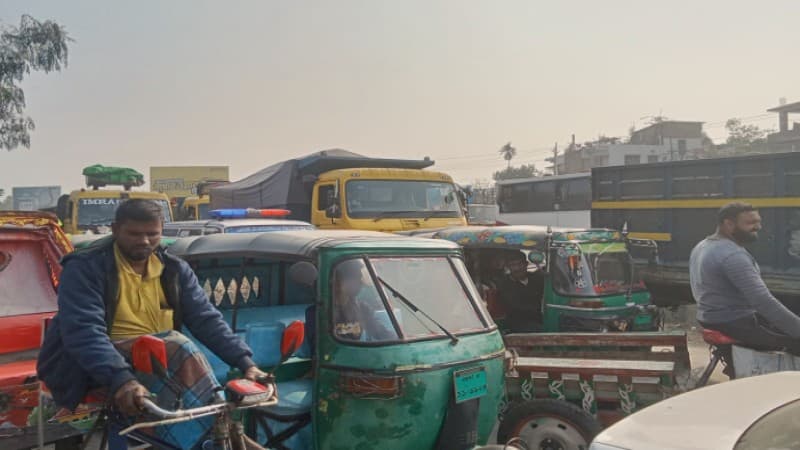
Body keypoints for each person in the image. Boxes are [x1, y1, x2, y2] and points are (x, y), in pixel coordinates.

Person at [37, 199, 269, 448]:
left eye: (152, 234)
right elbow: (85, 332)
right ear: (115, 230)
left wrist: (247, 364)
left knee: (177, 355)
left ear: (162, 232)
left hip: (155, 362)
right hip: (93, 366)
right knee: (177, 344)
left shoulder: (174, 270)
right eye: (134, 234)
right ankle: (219, 439)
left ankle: (220, 436)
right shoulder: (86, 268)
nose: (144, 241)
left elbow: (206, 319)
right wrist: (122, 379)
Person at [690, 202, 800, 355]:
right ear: (728, 224)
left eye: (758, 222)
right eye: (750, 223)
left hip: (710, 318)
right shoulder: (732, 255)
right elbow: (763, 301)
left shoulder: (703, 245)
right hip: (733, 323)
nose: (758, 227)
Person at [332, 259, 396, 341]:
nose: (361, 283)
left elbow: (380, 332)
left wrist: (401, 340)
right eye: (357, 278)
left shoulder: (362, 308)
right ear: (341, 281)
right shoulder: (320, 311)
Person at [497, 251, 544, 332]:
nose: (517, 268)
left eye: (520, 264)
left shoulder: (536, 278)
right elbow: (516, 307)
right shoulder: (505, 284)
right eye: (513, 265)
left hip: (541, 320)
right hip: (518, 324)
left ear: (526, 264)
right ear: (508, 267)